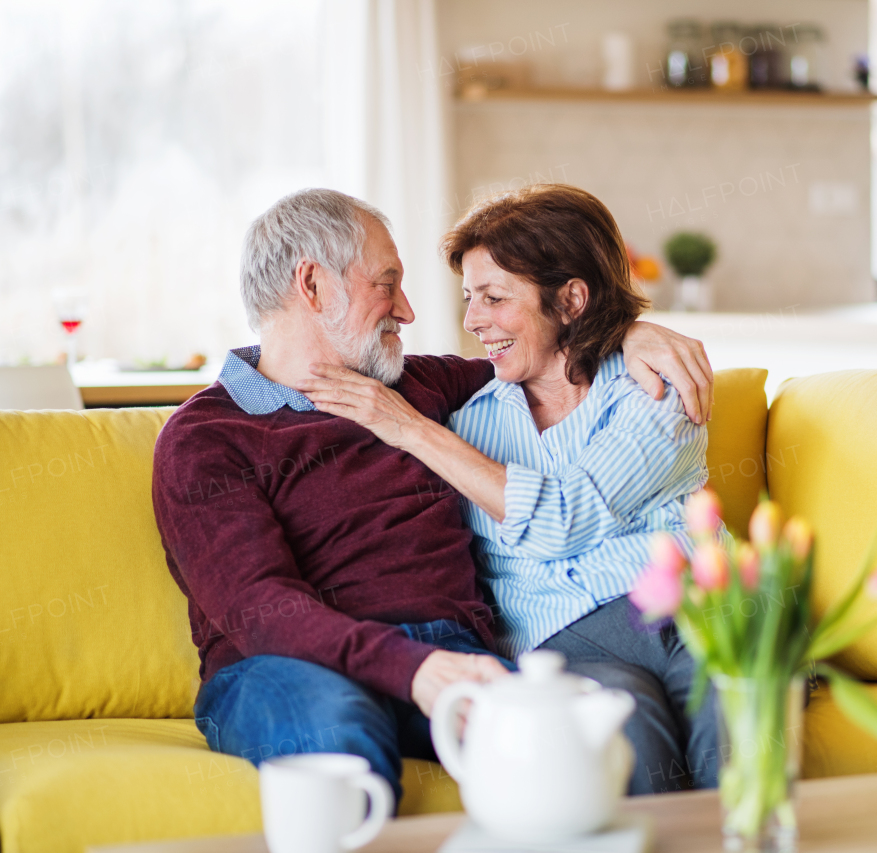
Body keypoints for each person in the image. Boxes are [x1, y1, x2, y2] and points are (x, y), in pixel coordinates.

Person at [152, 187, 713, 806]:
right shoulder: (206, 438)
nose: (409, 311)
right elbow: (261, 608)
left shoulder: (417, 385)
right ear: (312, 285)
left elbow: (547, 348)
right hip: (288, 666)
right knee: (338, 735)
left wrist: (634, 332)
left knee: (587, 737)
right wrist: (411, 668)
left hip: (453, 657)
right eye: (386, 285)